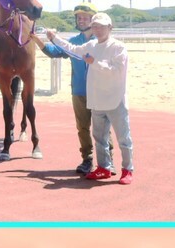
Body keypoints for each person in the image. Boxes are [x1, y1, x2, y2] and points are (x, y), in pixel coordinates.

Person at [46, 12, 134, 185]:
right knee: (99, 137)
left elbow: (116, 70)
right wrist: (54, 38)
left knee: (123, 137)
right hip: (97, 99)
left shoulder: (118, 47)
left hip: (116, 99)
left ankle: (127, 169)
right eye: (95, 26)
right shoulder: (91, 45)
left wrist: (94, 62)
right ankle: (104, 168)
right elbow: (72, 48)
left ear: (110, 28)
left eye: (102, 26)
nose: (98, 29)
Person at [29, 2, 114, 175]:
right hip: (79, 92)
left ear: (94, 20)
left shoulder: (102, 41)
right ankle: (87, 159)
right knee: (82, 127)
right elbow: (54, 52)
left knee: (103, 128)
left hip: (100, 92)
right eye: (79, 18)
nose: (82, 20)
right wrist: (37, 39)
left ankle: (108, 161)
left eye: (85, 18)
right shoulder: (74, 42)